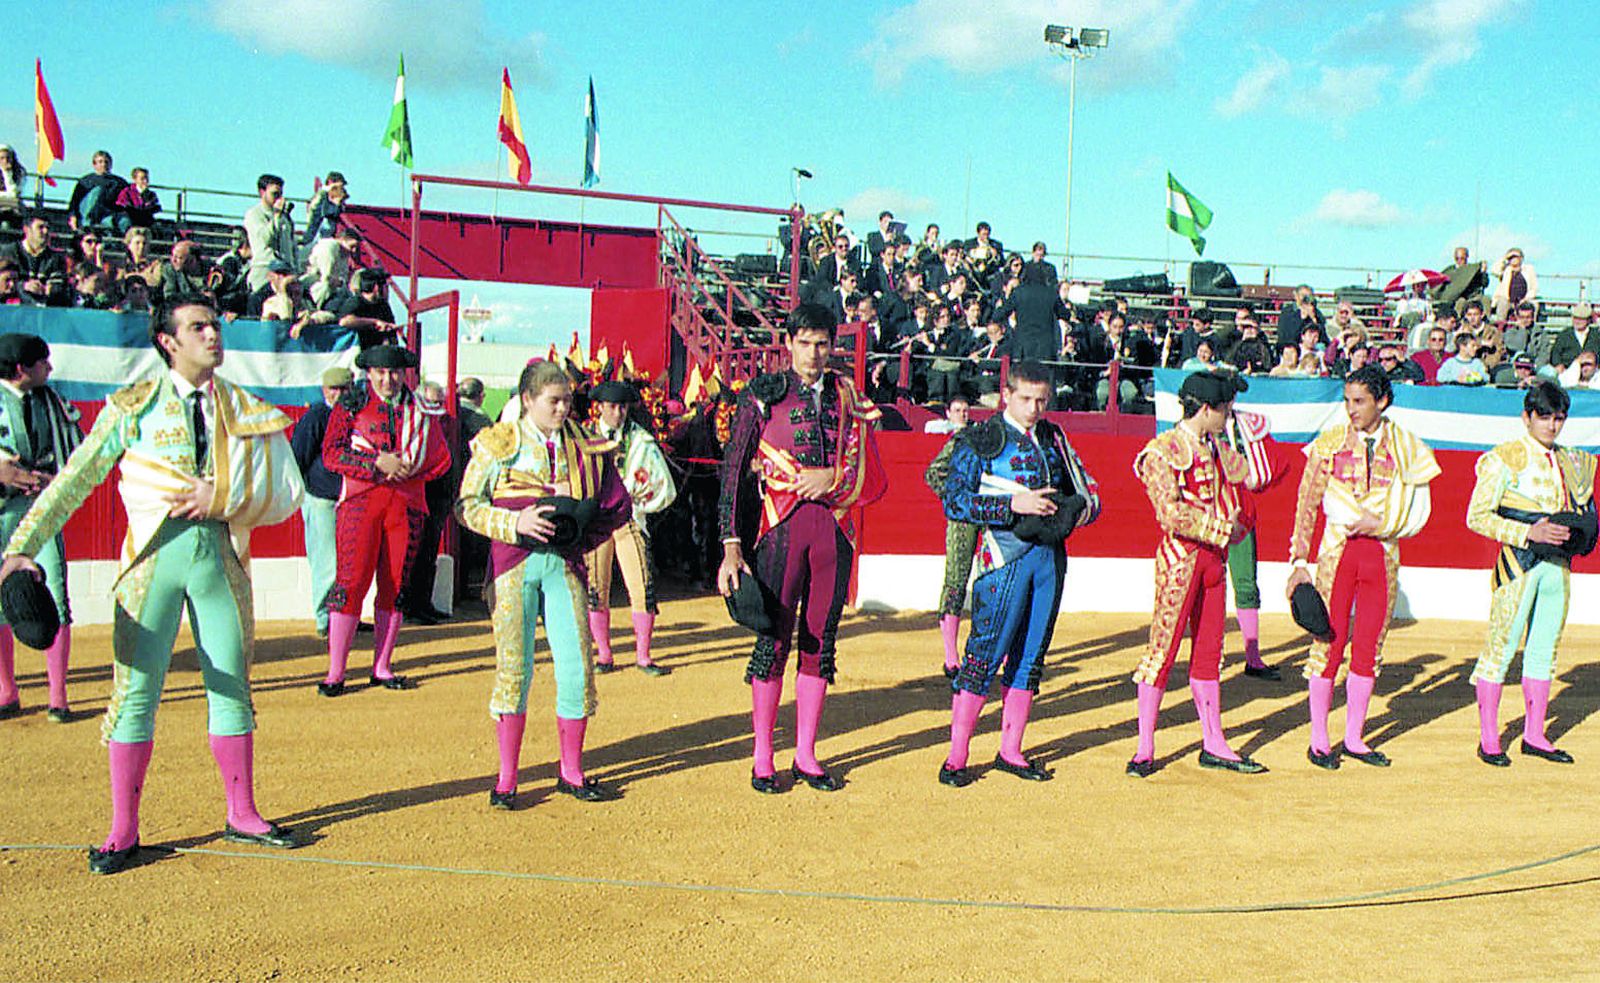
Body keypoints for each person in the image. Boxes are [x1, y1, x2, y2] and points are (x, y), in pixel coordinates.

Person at [0, 303, 305, 874]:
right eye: (198, 327)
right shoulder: (132, 407)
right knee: (136, 693)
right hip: (152, 562)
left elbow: (284, 488)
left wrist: (223, 495)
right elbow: (75, 479)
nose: (213, 334)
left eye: (215, 325)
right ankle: (123, 829)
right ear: (168, 341)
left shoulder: (242, 407)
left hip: (217, 557)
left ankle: (242, 812)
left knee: (232, 687)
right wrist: (22, 542)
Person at [716, 303, 886, 794]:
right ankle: (763, 755)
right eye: (805, 342)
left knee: (819, 641)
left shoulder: (848, 395)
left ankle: (807, 754)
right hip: (779, 530)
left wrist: (833, 476)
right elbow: (733, 472)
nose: (814, 353)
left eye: (822, 343)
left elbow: (870, 469)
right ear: (789, 343)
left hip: (832, 532)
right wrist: (731, 546)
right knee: (771, 639)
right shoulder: (763, 395)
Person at [456, 359, 633, 807]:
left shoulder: (586, 444)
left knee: (577, 665)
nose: (562, 409)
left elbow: (616, 504)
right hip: (514, 565)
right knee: (515, 667)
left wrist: (583, 530)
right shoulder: (499, 443)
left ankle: (571, 770)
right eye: (553, 401)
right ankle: (507, 778)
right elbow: (466, 507)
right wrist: (514, 521)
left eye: (567, 401)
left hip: (565, 565)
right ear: (528, 400)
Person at [936, 362, 1100, 786]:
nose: (1034, 408)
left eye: (1042, 399)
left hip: (1049, 559)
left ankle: (1011, 749)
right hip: (1002, 558)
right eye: (1026, 399)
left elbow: (1090, 494)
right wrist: (1012, 506)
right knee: (982, 658)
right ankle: (957, 756)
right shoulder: (980, 438)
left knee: (1030, 659)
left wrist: (1072, 512)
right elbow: (954, 502)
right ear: (1006, 395)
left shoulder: (1054, 437)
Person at [1288, 365, 1440, 769]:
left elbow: (1420, 509)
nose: (1350, 410)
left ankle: (1354, 737)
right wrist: (1299, 561)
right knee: (1327, 643)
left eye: (1359, 402)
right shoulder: (1328, 443)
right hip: (1338, 552)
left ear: (1382, 401)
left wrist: (1383, 524)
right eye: (1347, 401)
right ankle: (1319, 739)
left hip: (1382, 552)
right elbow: (1306, 506)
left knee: (1370, 647)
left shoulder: (1405, 444)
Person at [1127, 371, 1265, 777]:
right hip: (1181, 559)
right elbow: (1169, 512)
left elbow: (1254, 478)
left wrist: (1235, 524)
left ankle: (1214, 743)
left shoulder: (1218, 447)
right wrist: (1224, 528)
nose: (1228, 418)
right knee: (1162, 652)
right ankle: (1145, 747)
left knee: (1209, 654)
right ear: (1206, 409)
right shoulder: (1161, 451)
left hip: (1213, 563)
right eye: (1225, 411)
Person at [1465, 382, 1594, 766]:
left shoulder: (1572, 461)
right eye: (1544, 417)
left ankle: (1534, 734)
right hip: (1519, 564)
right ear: (1527, 417)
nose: (1552, 427)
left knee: (1544, 650)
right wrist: (1526, 532)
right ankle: (1489, 737)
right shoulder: (1503, 458)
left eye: (1559, 418)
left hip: (1557, 567)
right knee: (1500, 649)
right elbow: (1476, 516)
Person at [317, 345, 451, 695]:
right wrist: (375, 464)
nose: (387, 379)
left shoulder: (422, 409)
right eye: (380, 372)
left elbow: (441, 460)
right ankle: (336, 671)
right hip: (361, 502)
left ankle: (382, 666)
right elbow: (331, 453)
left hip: (406, 503)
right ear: (369, 373)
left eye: (393, 372)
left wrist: (408, 468)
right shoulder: (352, 405)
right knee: (352, 581)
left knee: (396, 586)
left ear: (404, 373)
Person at [0, 334, 83, 722]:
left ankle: (58, 697)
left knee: (56, 594)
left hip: (42, 508)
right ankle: (6, 691)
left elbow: (79, 447)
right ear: (21, 369)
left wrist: (55, 480)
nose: (49, 369)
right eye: (42, 363)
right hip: (1, 511)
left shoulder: (52, 400)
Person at [584, 380, 677, 675]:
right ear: (600, 407)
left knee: (642, 586)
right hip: (597, 521)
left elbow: (661, 483)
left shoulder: (641, 440)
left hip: (628, 517)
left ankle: (643, 656)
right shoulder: (586, 438)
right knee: (595, 588)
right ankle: (604, 654)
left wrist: (640, 502)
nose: (618, 412)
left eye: (622, 406)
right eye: (612, 406)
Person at [1221, 398, 1290, 680]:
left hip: (1239, 512)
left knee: (1246, 583)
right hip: (1206, 515)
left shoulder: (1244, 426)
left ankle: (1252, 658)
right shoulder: (1194, 430)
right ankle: (1209, 657)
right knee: (1206, 586)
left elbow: (1267, 466)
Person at [290, 367, 351, 638]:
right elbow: (298, 458)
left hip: (346, 498)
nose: (337, 394)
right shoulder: (316, 416)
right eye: (333, 389)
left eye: (342, 389)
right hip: (321, 498)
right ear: (324, 390)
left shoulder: (352, 416)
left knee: (348, 561)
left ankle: (344, 615)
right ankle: (325, 618)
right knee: (327, 561)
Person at [922, 396, 976, 677]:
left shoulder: (978, 435)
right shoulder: (962, 439)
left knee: (993, 581)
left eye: (967, 410)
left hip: (990, 515)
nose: (964, 415)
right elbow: (932, 473)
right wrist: (955, 500)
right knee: (956, 579)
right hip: (965, 514)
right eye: (958, 410)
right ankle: (951, 655)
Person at [991, 264, 1070, 362]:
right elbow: (1065, 315)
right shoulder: (1051, 293)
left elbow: (999, 315)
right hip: (1045, 348)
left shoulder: (1019, 292)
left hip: (1022, 348)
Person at [244, 173, 297, 291]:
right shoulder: (254, 214)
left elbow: (292, 244)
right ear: (262, 192)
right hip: (264, 268)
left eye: (280, 194)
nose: (279, 199)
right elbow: (265, 239)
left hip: (286, 269)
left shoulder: (285, 217)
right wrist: (276, 216)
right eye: (275, 194)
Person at [6, 217, 68, 306]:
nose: (46, 231)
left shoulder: (56, 258)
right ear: (27, 230)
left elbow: (60, 286)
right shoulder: (9, 252)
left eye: (48, 228)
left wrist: (49, 289)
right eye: (40, 227)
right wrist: (23, 286)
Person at [66, 150, 127, 232]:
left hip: (108, 215)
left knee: (121, 222)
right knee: (97, 191)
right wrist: (73, 217)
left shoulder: (119, 182)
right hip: (87, 214)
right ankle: (86, 226)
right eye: (100, 162)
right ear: (94, 164)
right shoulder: (85, 181)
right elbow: (74, 202)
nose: (104, 164)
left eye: (106, 162)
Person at [1546, 302, 1599, 376]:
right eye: (1575, 318)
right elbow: (1555, 353)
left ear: (1588, 320)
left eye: (1581, 319)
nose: (1577, 321)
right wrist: (1558, 364)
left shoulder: (1596, 335)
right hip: (1567, 370)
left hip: (1592, 371)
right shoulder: (1564, 335)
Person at [300, 171, 349, 246]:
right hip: (321, 235)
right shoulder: (323, 195)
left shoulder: (321, 195)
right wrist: (337, 204)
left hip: (319, 233)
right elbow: (326, 212)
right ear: (331, 182)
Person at [1490, 247, 1537, 321]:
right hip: (1508, 300)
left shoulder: (1529, 269)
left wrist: (1525, 299)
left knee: (1534, 305)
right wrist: (1504, 259)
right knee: (1502, 304)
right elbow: (1494, 270)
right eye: (1511, 257)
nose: (1513, 259)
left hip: (1524, 299)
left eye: (1515, 256)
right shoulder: (1505, 270)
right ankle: (1500, 328)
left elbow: (1534, 288)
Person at [111, 167, 161, 232]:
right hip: (131, 218)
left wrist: (145, 195)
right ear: (135, 179)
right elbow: (122, 204)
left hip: (146, 219)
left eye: (146, 178)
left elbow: (155, 206)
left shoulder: (151, 194)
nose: (145, 181)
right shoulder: (127, 192)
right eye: (142, 179)